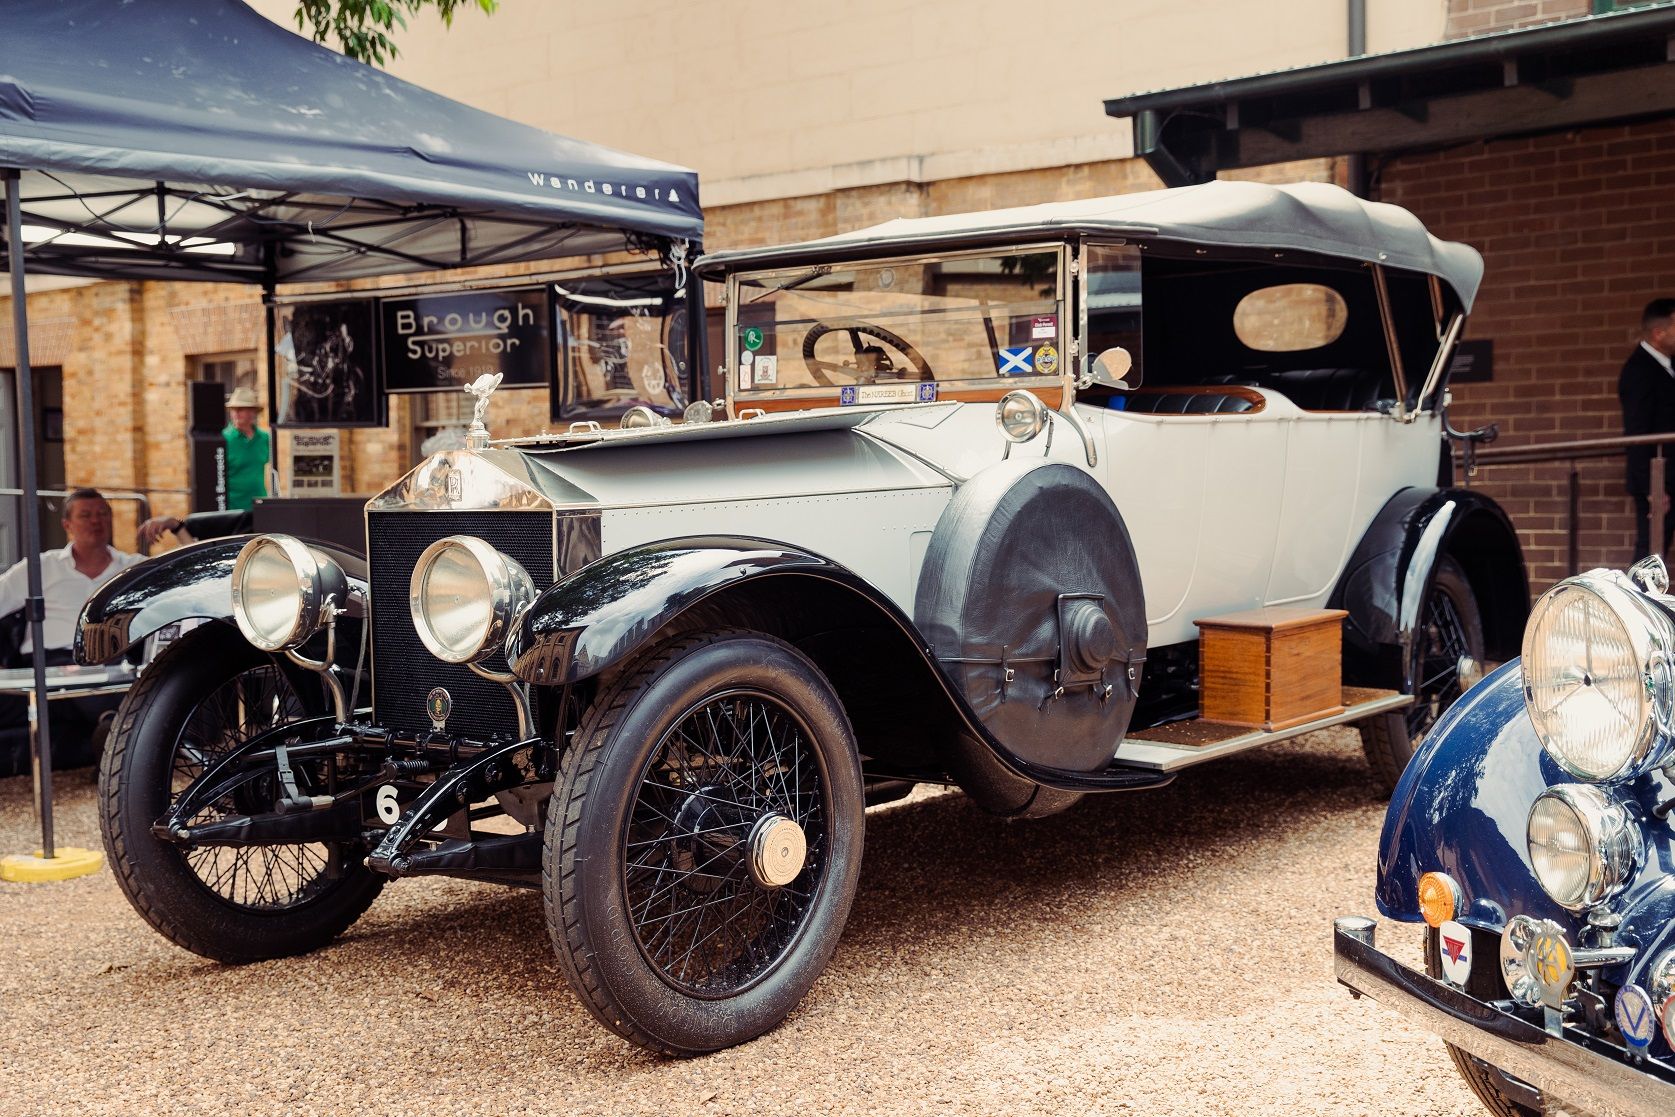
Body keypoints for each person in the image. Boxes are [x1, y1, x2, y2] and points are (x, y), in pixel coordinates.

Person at [0, 488, 143, 773]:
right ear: (67, 525)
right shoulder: (41, 567)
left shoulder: (132, 568)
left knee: (124, 673)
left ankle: (113, 733)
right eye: (86, 515)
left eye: (103, 514)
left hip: (113, 657)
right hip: (52, 659)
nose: (96, 521)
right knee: (74, 674)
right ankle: (117, 734)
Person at [1618, 298, 1675, 560]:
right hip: (1657, 481)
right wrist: (1652, 488)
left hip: (1670, 477)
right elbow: (1637, 433)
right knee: (1650, 554)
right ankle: (1638, 601)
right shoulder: (1638, 370)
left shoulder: (1669, 365)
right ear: (1658, 332)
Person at [224, 385, 271, 511]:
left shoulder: (265, 438)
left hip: (260, 506)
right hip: (232, 509)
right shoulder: (223, 439)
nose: (236, 412)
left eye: (241, 408)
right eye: (233, 409)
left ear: (252, 412)